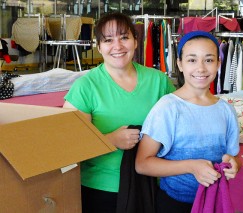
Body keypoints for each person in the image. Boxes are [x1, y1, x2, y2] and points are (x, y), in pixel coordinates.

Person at [63, 12, 176, 213]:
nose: (118, 46)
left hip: (153, 185)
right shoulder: (85, 87)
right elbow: (70, 146)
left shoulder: (159, 81)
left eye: (124, 37)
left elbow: (181, 127)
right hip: (101, 189)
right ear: (99, 47)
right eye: (108, 40)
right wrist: (111, 140)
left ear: (135, 41)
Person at [135, 31, 241, 213]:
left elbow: (234, 156)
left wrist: (235, 164)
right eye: (192, 60)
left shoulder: (226, 110)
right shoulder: (167, 108)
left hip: (215, 200)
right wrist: (191, 166)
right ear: (180, 64)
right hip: (174, 204)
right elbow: (142, 164)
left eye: (208, 60)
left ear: (218, 64)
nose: (201, 68)